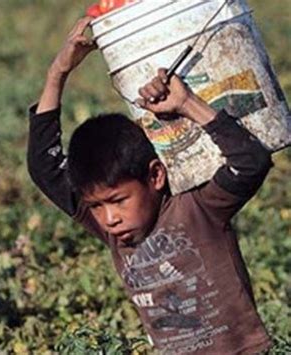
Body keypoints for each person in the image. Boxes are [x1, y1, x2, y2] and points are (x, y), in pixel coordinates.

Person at [27, 17, 274, 354]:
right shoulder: (115, 236)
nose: (109, 218)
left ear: (156, 176)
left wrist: (187, 104)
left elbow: (251, 161)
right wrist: (57, 73)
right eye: (96, 206)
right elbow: (44, 166)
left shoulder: (198, 210)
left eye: (117, 200)